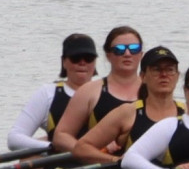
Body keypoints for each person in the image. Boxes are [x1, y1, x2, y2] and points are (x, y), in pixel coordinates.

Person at [70, 45, 186, 169]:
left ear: (177, 76)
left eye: (170, 70)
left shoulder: (188, 114)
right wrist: (115, 160)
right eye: (156, 69)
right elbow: (81, 148)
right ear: (143, 77)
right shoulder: (127, 113)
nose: (164, 75)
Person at [50, 26, 146, 160]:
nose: (127, 53)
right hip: (103, 165)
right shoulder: (89, 91)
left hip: (144, 163)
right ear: (108, 55)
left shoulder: (154, 91)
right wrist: (92, 152)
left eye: (134, 48)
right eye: (119, 50)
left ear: (141, 54)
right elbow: (61, 136)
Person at [6, 33, 100, 153]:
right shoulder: (48, 93)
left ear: (95, 62)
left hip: (99, 162)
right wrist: (50, 145)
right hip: (59, 164)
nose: (82, 63)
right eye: (75, 58)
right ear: (64, 62)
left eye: (88, 58)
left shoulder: (107, 92)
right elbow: (14, 138)